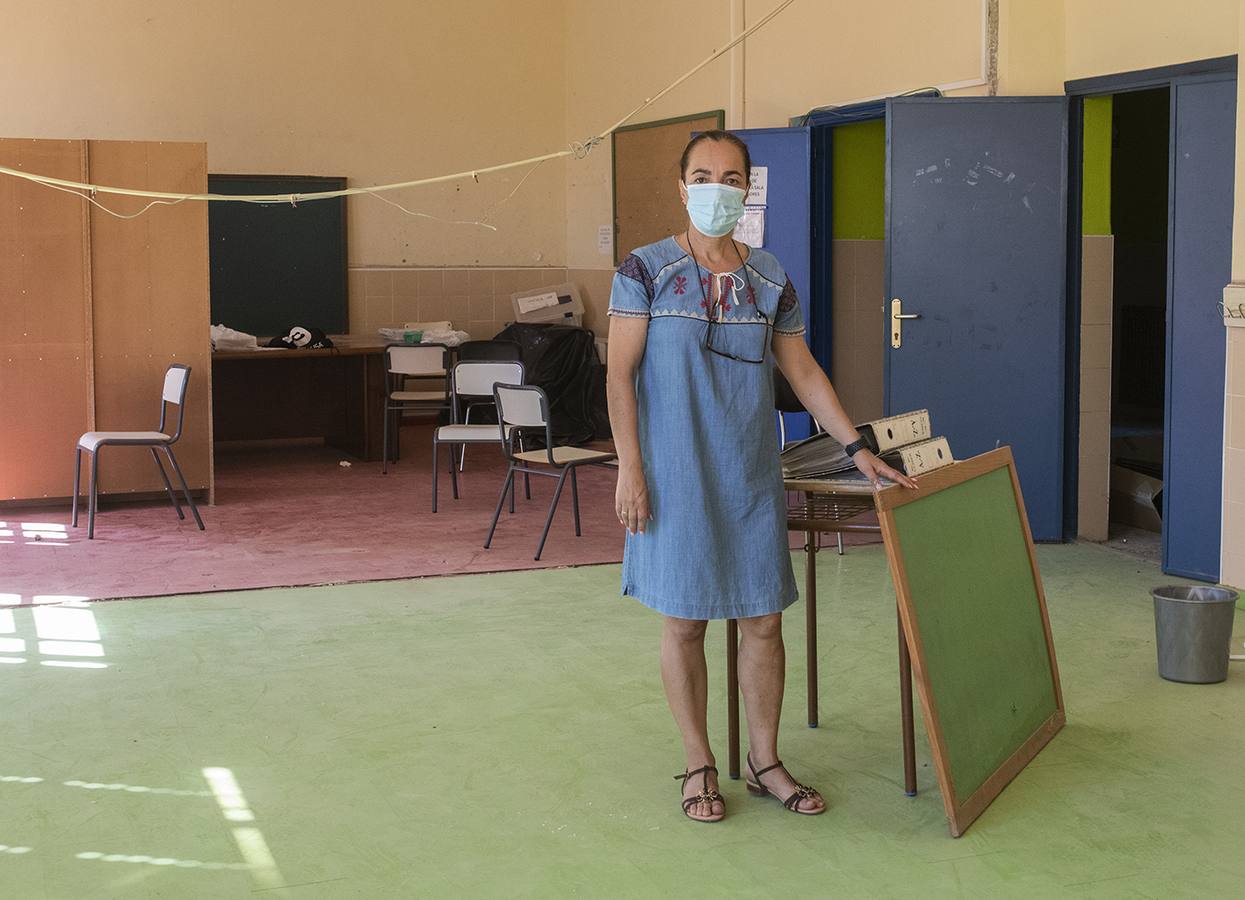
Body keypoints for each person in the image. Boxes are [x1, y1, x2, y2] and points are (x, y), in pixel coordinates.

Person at [606, 130, 917, 823]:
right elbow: (619, 376)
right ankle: (697, 763)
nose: (716, 188)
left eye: (731, 177)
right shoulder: (644, 270)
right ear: (681, 187)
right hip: (674, 473)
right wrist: (630, 468)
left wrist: (855, 446)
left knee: (764, 621)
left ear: (747, 189)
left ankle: (764, 761)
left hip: (749, 473)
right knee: (685, 622)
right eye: (702, 176)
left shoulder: (769, 277)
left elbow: (800, 369)